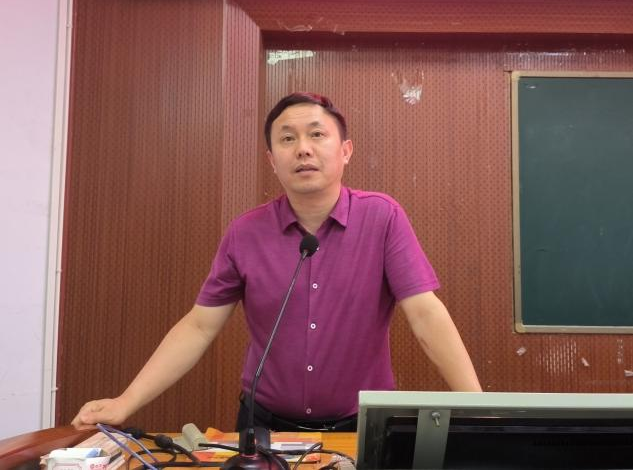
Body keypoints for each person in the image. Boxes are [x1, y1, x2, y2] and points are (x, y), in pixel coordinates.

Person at [72, 92, 481, 433]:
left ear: (345, 151)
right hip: (264, 427)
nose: (303, 148)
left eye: (316, 134)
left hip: (362, 427)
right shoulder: (245, 233)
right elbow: (198, 326)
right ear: (272, 159)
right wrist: (126, 401)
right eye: (287, 139)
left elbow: (425, 314)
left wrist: (479, 406)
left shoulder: (382, 217)